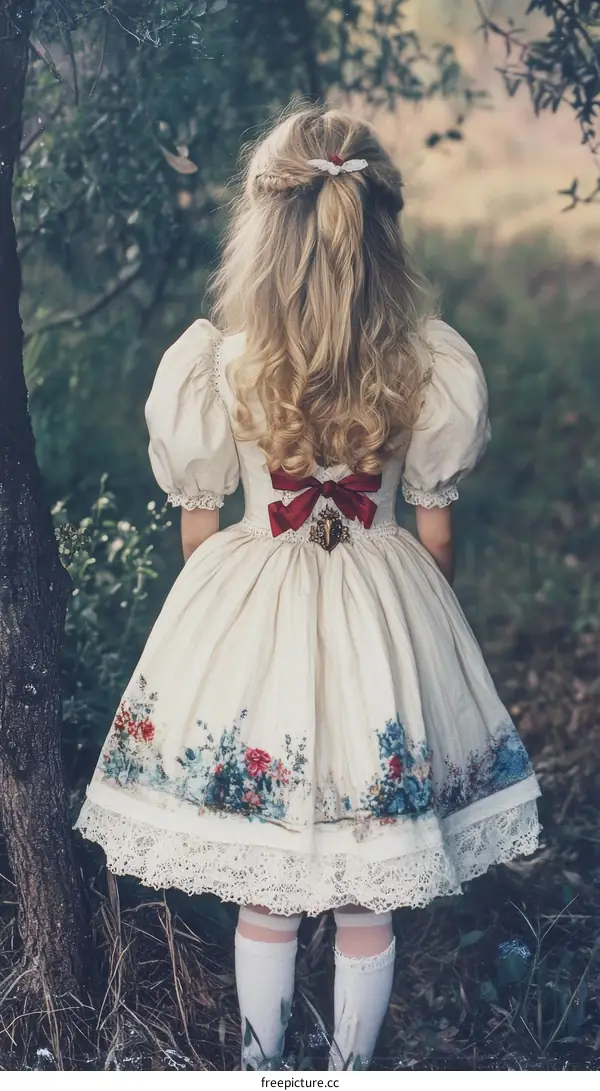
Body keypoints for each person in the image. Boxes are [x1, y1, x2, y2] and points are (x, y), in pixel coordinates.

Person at [76, 104, 541, 1071]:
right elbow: (435, 532)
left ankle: (265, 1071)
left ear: (264, 230)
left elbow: (199, 533)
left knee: (268, 889)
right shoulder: (423, 360)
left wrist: (234, 646)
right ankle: (349, 1074)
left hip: (258, 609)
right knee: (370, 890)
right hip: (385, 603)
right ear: (381, 232)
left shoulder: (223, 364)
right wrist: (416, 631)